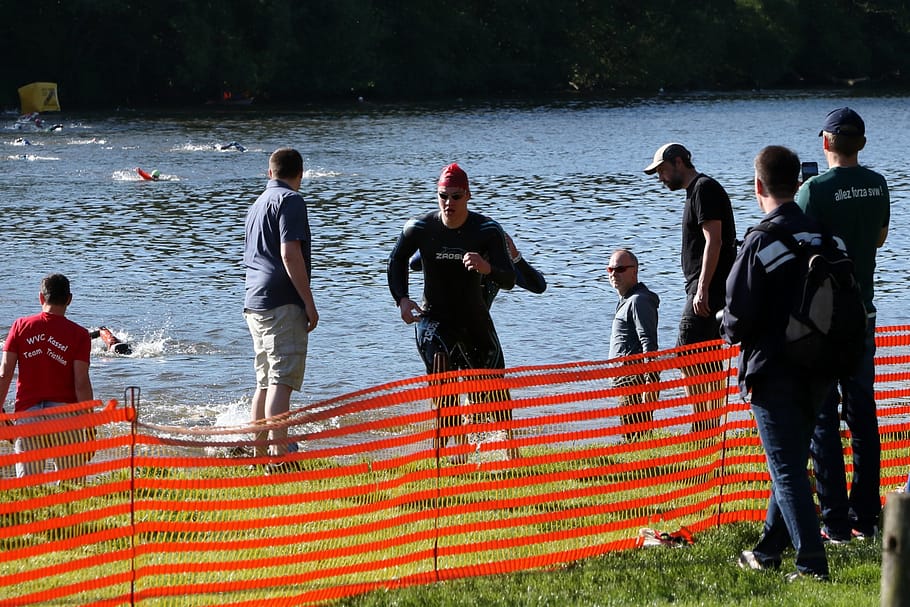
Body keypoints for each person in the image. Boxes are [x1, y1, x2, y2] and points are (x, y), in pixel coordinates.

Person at [723, 145, 834, 581]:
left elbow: (736, 317)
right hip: (822, 365)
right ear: (798, 182)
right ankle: (768, 550)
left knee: (786, 468)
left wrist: (725, 325)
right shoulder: (823, 234)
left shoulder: (760, 241)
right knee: (788, 460)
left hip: (773, 369)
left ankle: (812, 565)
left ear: (758, 186)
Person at [798, 107, 890, 543]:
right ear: (862, 144)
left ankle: (834, 521)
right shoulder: (878, 183)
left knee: (822, 417)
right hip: (863, 314)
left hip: (824, 320)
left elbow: (798, 246)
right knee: (862, 414)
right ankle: (866, 516)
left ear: (825, 142)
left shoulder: (813, 189)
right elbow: (879, 239)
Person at [388, 163, 516, 462]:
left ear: (467, 196)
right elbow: (396, 261)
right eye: (443, 196)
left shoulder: (486, 230)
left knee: (492, 390)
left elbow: (509, 278)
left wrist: (487, 268)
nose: (449, 203)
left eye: (456, 196)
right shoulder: (420, 227)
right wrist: (402, 299)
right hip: (434, 320)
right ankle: (456, 455)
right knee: (443, 385)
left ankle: (511, 450)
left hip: (474, 321)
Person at [644, 143, 737, 433]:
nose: (660, 178)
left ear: (678, 162)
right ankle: (711, 425)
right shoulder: (697, 191)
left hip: (707, 286)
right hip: (707, 286)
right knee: (707, 355)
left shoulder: (703, 188)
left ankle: (702, 424)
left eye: (662, 170)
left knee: (686, 353)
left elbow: (714, 241)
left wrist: (702, 288)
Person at [243, 147, 318, 459]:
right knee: (281, 382)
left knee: (264, 382)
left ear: (269, 172)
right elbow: (290, 253)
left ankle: (259, 455)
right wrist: (308, 302)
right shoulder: (291, 200)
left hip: (254, 301)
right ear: (300, 174)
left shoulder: (257, 204)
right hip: (282, 301)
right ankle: (279, 458)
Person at [0, 273, 94, 477]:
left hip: (28, 416)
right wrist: (90, 425)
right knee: (72, 487)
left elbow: (4, 373)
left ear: (41, 297)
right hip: (65, 417)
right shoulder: (79, 334)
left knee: (28, 488)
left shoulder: (20, 326)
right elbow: (81, 383)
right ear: (69, 299)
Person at [607, 249, 660, 441]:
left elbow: (649, 342)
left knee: (636, 437)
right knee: (632, 435)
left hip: (634, 381)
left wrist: (650, 383)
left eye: (620, 269)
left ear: (634, 271)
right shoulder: (627, 300)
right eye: (610, 269)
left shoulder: (639, 301)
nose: (614, 274)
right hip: (625, 381)